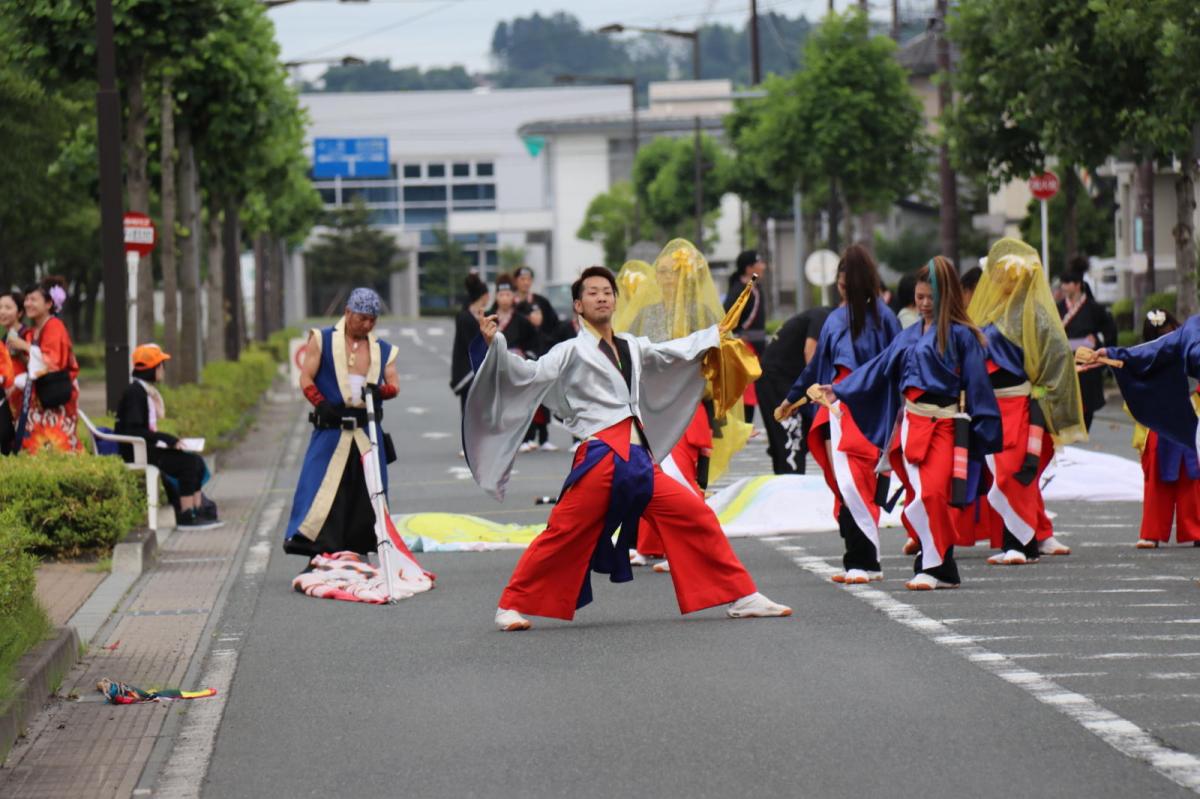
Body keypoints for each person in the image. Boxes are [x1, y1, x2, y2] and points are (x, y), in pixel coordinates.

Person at [464, 264, 792, 631]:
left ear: (615, 300)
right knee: (563, 533)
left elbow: (673, 351)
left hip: (639, 459)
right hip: (601, 456)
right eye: (592, 292)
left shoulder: (632, 346)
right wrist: (498, 345)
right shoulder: (569, 351)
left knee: (695, 515)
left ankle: (742, 594)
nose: (602, 296)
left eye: (607, 291)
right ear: (577, 305)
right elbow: (529, 374)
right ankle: (511, 604)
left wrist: (712, 336)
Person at [827, 257, 1001, 590]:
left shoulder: (963, 336)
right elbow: (877, 368)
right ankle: (939, 565)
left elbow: (979, 386)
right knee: (920, 494)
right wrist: (837, 389)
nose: (922, 304)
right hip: (912, 424)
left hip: (947, 424)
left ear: (945, 295)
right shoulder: (909, 335)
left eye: (929, 298)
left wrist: (986, 431)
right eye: (919, 297)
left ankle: (934, 563)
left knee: (931, 494)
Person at [778, 245, 902, 583]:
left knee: (857, 482)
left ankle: (867, 561)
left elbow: (896, 363)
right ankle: (855, 559)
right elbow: (817, 368)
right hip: (835, 410)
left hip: (869, 410)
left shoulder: (884, 318)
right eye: (840, 285)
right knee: (842, 484)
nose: (842, 290)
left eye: (847, 285)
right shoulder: (834, 319)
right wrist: (792, 399)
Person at [967, 239, 1085, 565]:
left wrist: (1040, 396)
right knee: (1007, 474)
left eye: (1006, 275)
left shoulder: (1038, 317)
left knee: (1014, 473)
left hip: (1020, 404)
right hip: (990, 406)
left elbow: (1059, 358)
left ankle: (1022, 544)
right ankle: (1023, 542)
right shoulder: (990, 313)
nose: (999, 281)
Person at [283, 288, 401, 561]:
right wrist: (319, 402)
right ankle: (322, 550)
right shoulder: (322, 340)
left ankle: (360, 549)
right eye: (362, 318)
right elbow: (306, 377)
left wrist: (380, 392)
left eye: (373, 320)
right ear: (347, 313)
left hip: (365, 432)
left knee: (367, 492)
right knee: (324, 489)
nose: (367, 325)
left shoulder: (383, 350)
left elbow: (394, 384)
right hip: (331, 429)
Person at [115, 344, 223, 529]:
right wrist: (167, 439)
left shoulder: (143, 391)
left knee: (194, 460)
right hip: (138, 452)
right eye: (161, 366)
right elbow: (133, 430)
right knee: (187, 464)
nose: (163, 370)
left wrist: (167, 440)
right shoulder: (136, 394)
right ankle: (186, 515)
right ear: (154, 369)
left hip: (146, 448)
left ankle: (197, 508)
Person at [1125, 311, 1200, 548]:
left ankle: (1196, 529)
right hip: (1157, 423)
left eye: (1169, 333)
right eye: (1160, 335)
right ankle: (1151, 532)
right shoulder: (1144, 356)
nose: (1166, 337)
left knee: (1194, 476)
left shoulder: (1191, 348)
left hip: (1191, 413)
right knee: (1156, 478)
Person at [756, 302, 833, 474]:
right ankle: (791, 481)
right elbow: (810, 351)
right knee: (792, 436)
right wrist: (817, 388)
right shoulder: (823, 316)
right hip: (776, 378)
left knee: (802, 433)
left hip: (787, 379)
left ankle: (784, 469)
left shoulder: (820, 315)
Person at [12, 277, 81, 454]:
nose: (27, 303)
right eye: (26, 299)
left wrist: (24, 346)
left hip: (57, 398)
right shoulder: (34, 330)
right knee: (36, 445)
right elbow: (35, 364)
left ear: (49, 303)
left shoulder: (54, 326)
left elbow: (52, 362)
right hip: (40, 397)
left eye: (33, 299)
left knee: (57, 445)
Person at [1057, 271, 1110, 430]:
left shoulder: (1093, 308)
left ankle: (1084, 428)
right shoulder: (1058, 308)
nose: (1064, 287)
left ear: (1078, 284)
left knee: (1087, 399)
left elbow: (1108, 331)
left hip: (1086, 362)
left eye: (1068, 283)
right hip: (1065, 362)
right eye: (1063, 283)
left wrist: (1098, 342)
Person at [725, 250, 768, 423]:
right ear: (749, 268)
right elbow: (728, 315)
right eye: (759, 262)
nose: (763, 266)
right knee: (747, 389)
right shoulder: (740, 289)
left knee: (754, 388)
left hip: (756, 347)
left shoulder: (755, 287)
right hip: (745, 346)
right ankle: (745, 425)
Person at [516, 300, 556, 452]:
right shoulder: (525, 333)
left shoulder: (543, 333)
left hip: (543, 374)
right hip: (529, 373)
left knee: (544, 408)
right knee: (529, 408)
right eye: (535, 313)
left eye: (540, 313)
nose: (539, 316)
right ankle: (527, 438)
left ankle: (544, 439)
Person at [451, 273, 490, 418]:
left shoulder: (466, 315)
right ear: (484, 296)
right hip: (470, 373)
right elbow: (472, 346)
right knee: (473, 418)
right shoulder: (465, 317)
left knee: (473, 417)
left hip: (476, 372)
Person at [488, 272, 538, 357]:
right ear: (496, 297)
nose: (504, 299)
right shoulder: (488, 318)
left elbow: (532, 344)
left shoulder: (522, 320)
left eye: (508, 295)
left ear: (513, 296)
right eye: (501, 295)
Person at [513, 265, 560, 338]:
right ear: (515, 281)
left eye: (529, 279)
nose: (526, 282)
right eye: (522, 279)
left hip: (537, 345)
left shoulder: (541, 301)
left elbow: (554, 322)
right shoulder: (509, 302)